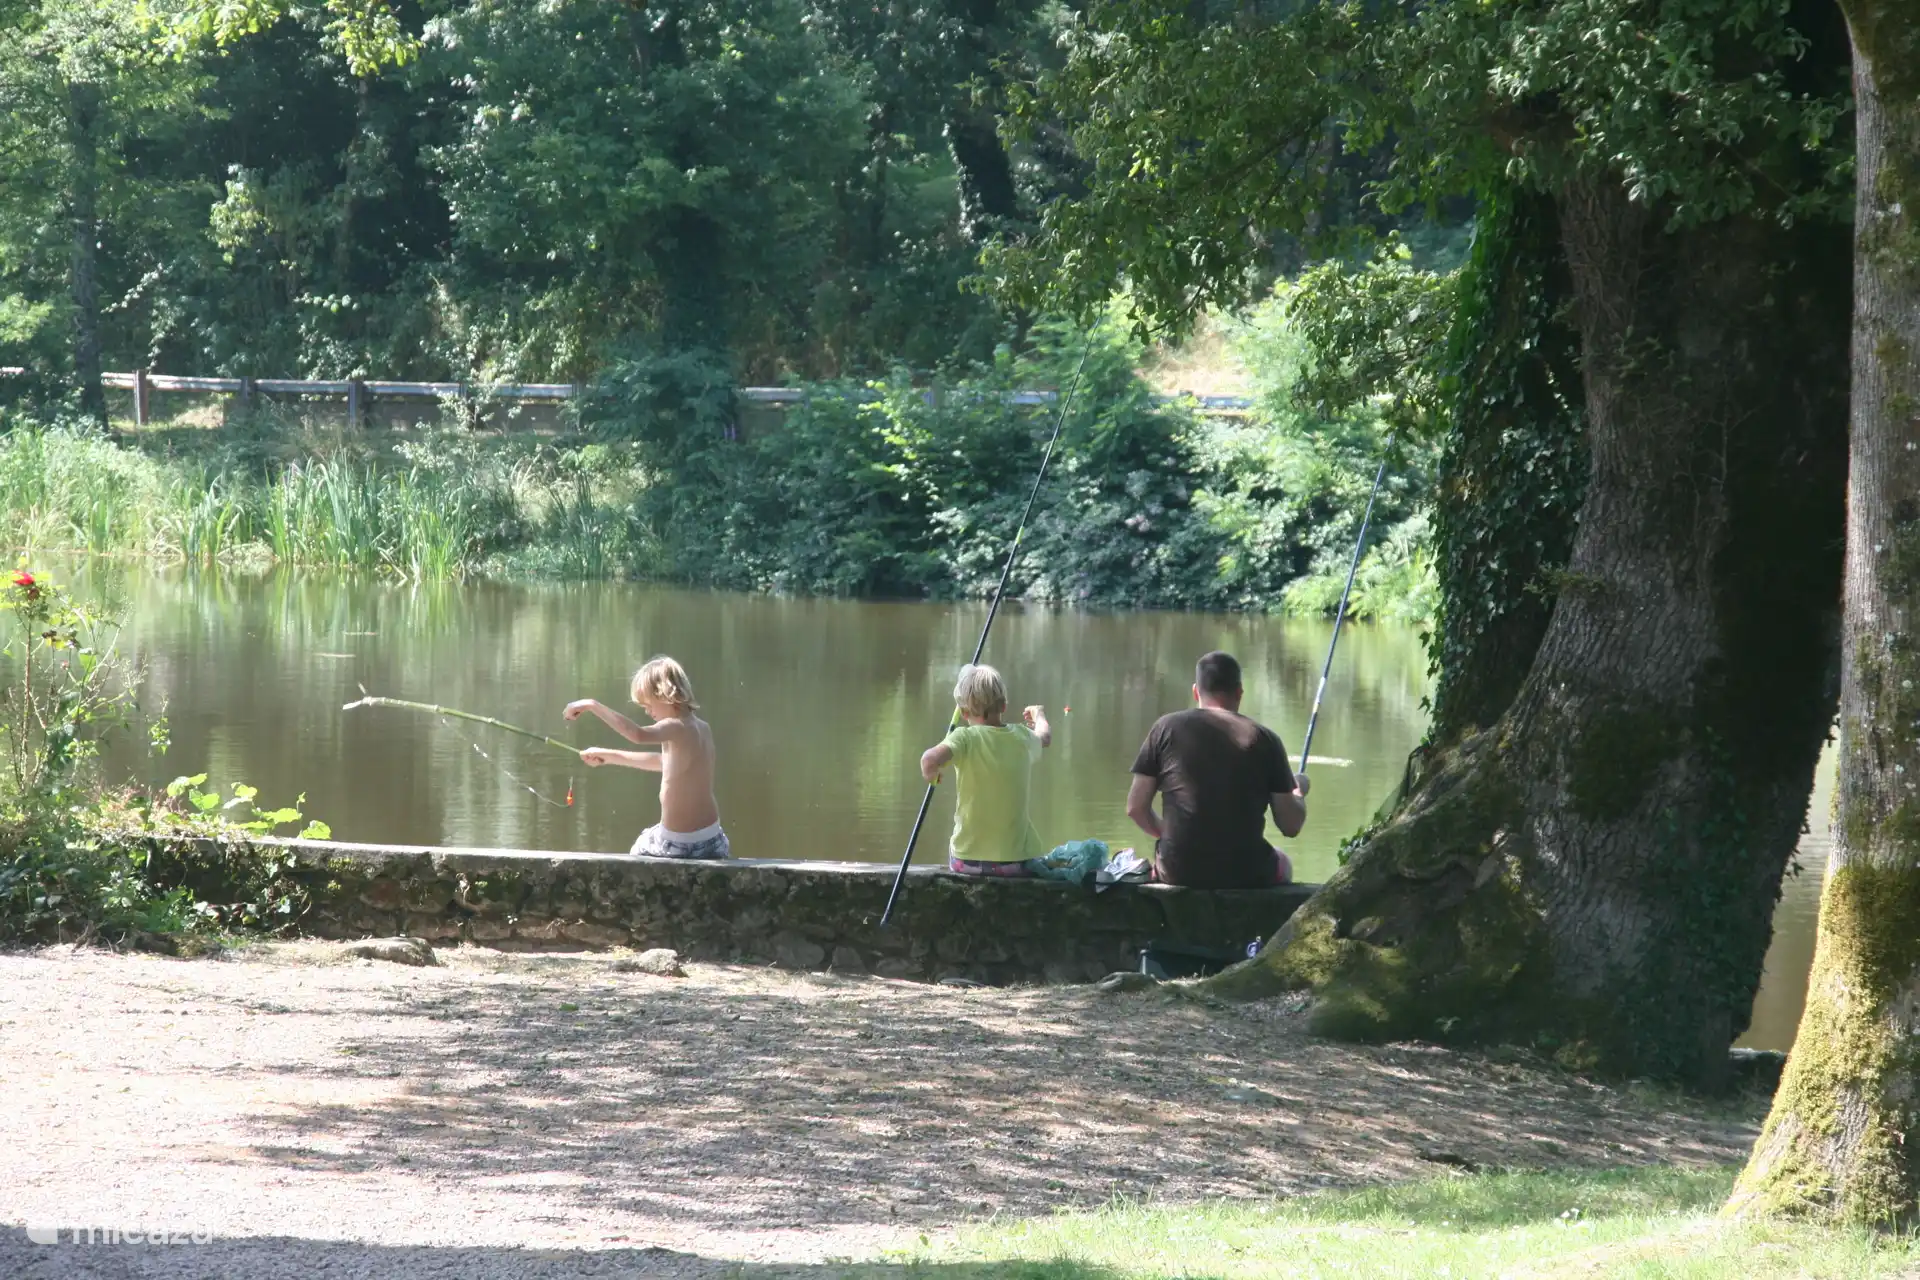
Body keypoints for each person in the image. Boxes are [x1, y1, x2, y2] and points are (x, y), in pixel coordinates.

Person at [1125, 650, 1309, 888]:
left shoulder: (1165, 728)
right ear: (1239, 693)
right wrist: (1298, 792)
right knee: (1284, 861)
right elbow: (1291, 825)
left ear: (1195, 691)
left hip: (1177, 870)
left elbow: (1135, 808)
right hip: (1246, 874)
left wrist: (1169, 835)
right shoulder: (1265, 739)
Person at [565, 655, 728, 860]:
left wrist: (592, 705)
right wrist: (609, 756)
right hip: (712, 838)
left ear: (665, 694)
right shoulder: (702, 728)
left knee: (638, 850)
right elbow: (664, 763)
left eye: (648, 703)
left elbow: (638, 735)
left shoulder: (674, 726)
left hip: (679, 843)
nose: (647, 710)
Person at [919, 664, 1052, 877]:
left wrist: (932, 772)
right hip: (1014, 862)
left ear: (963, 712)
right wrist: (1039, 716)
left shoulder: (963, 737)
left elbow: (929, 759)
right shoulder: (1021, 737)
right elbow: (1045, 737)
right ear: (1004, 706)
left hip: (966, 861)